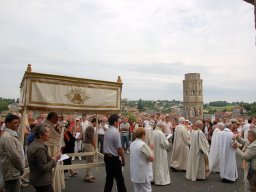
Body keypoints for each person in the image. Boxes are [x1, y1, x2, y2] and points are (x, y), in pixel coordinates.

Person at [27, 124, 61, 192]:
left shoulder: (34, 144)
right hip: (42, 181)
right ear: (40, 135)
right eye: (47, 132)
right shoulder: (40, 148)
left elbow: (40, 161)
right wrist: (55, 159)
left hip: (38, 179)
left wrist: (53, 157)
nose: (49, 134)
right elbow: (43, 168)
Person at [0, 114, 25, 192]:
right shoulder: (8, 137)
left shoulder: (10, 135)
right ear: (7, 123)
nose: (18, 124)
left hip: (13, 170)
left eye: (18, 122)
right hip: (12, 172)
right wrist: (21, 168)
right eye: (15, 123)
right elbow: (14, 156)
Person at [103, 114, 127, 192]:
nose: (118, 123)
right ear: (114, 122)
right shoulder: (115, 132)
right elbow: (119, 149)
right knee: (120, 180)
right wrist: (123, 159)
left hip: (107, 156)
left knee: (109, 179)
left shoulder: (107, 131)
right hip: (113, 158)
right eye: (118, 121)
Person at [43, 112, 65, 192]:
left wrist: (60, 126)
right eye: (56, 118)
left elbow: (61, 132)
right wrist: (61, 130)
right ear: (51, 118)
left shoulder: (50, 124)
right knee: (53, 166)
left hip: (54, 147)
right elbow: (58, 136)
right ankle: (53, 187)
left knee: (57, 166)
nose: (57, 119)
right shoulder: (46, 125)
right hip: (50, 148)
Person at [130, 127, 154, 192]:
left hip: (135, 172)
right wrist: (151, 149)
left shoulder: (132, 143)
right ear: (143, 135)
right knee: (147, 189)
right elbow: (151, 158)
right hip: (143, 173)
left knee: (137, 190)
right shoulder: (143, 145)